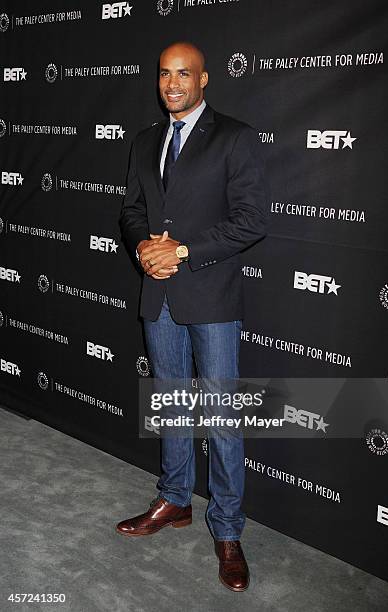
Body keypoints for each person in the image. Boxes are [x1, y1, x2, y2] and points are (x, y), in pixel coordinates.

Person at [116, 41, 267, 592]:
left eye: (184, 74)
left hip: (212, 298)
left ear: (205, 80)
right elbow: (132, 211)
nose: (172, 83)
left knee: (222, 417)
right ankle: (175, 499)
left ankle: (227, 529)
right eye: (164, 74)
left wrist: (181, 251)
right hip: (158, 297)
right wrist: (144, 250)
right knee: (173, 403)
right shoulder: (144, 141)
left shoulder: (234, 137)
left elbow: (252, 221)